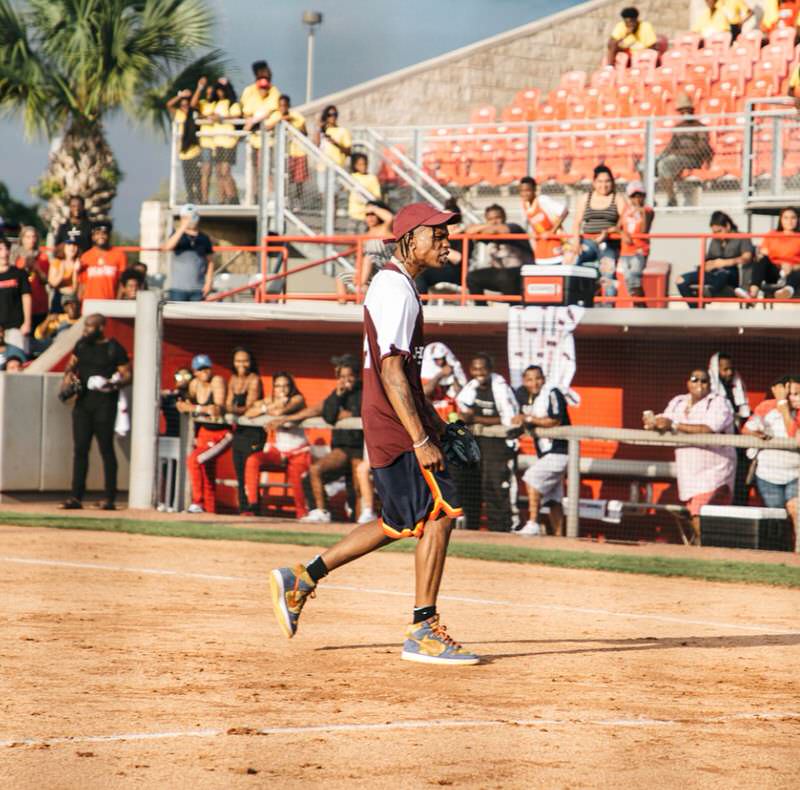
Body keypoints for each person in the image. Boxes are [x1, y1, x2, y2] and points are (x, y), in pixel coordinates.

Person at [269, 201, 480, 665]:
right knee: (442, 512)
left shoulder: (397, 286)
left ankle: (303, 577)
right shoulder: (395, 289)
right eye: (437, 235)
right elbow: (390, 371)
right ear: (409, 240)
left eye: (446, 235)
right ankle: (423, 630)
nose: (446, 243)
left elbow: (401, 370)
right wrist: (422, 440)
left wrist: (438, 426)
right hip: (393, 424)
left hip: (395, 421)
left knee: (400, 521)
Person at [643, 369, 736, 545]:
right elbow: (666, 419)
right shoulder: (678, 401)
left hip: (716, 468)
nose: (699, 384)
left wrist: (674, 424)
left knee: (699, 510)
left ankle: (707, 549)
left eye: (704, 381)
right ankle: (705, 548)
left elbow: (709, 428)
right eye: (695, 380)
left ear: (710, 384)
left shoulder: (719, 403)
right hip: (689, 468)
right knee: (697, 512)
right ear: (688, 383)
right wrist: (654, 422)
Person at [271, 355, 365, 523]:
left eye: (349, 376)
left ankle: (359, 523)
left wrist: (348, 414)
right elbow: (326, 414)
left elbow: (363, 414)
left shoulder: (365, 391)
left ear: (356, 375)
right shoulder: (337, 394)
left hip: (361, 449)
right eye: (342, 377)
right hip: (341, 449)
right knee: (314, 472)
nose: (345, 380)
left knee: (357, 490)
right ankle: (321, 512)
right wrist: (286, 419)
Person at [59, 314, 131, 510]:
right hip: (83, 405)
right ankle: (76, 496)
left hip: (105, 405)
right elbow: (70, 367)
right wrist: (69, 382)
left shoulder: (113, 348)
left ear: (101, 327)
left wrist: (111, 383)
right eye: (86, 326)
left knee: (106, 449)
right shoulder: (81, 345)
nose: (86, 330)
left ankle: (110, 497)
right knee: (80, 450)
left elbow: (127, 375)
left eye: (90, 327)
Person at [455, 353, 520, 532]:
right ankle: (472, 529)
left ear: (490, 369)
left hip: (498, 447)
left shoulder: (501, 388)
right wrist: (466, 417)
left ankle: (501, 531)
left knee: (496, 488)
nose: (479, 372)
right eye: (475, 369)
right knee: (474, 487)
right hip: (476, 445)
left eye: (482, 368)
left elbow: (508, 419)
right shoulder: (471, 388)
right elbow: (462, 411)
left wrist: (476, 418)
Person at [743, 376, 800, 552]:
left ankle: (797, 550)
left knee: (795, 510)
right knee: (776, 516)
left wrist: (783, 406)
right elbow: (746, 429)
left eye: (798, 394)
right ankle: (779, 554)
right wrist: (755, 433)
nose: (795, 398)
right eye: (790, 394)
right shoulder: (767, 407)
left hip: (796, 472)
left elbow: (794, 436)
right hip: (768, 473)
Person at [243, 372, 311, 518]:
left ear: (291, 387)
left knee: (296, 477)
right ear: (274, 387)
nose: (282, 389)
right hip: (278, 452)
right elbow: (249, 413)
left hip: (298, 452)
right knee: (252, 460)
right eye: (278, 386)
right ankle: (253, 505)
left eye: (286, 386)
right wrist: (266, 408)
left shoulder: (297, 398)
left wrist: (276, 408)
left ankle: (302, 513)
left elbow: (283, 409)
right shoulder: (271, 401)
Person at [513, 365, 570, 537]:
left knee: (531, 477)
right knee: (553, 500)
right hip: (546, 454)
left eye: (537, 378)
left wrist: (528, 418)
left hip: (560, 451)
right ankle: (560, 537)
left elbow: (556, 420)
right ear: (524, 381)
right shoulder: (527, 397)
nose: (534, 383)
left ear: (543, 379)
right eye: (529, 379)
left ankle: (533, 522)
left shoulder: (551, 392)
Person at [177, 354, 231, 514]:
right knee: (207, 472)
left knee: (194, 459)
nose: (205, 372)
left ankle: (197, 502)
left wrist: (196, 408)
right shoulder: (194, 384)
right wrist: (194, 406)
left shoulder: (217, 381)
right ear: (195, 372)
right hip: (204, 434)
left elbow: (216, 408)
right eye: (200, 369)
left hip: (221, 433)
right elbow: (183, 404)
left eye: (207, 368)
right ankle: (209, 511)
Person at [571, 165, 628, 300]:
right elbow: (576, 222)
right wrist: (576, 242)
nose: (604, 185)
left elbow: (625, 221)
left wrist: (608, 231)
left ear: (612, 182)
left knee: (608, 275)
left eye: (607, 181)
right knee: (573, 262)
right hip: (588, 242)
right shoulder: (586, 198)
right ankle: (576, 302)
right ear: (594, 183)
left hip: (609, 243)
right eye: (600, 181)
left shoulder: (618, 198)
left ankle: (609, 310)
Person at [677, 211, 753, 305]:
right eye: (714, 232)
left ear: (727, 226)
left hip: (730, 274)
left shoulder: (742, 237)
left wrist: (725, 262)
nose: (716, 235)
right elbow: (709, 259)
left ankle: (709, 293)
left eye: (719, 231)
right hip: (712, 273)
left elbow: (747, 257)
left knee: (723, 273)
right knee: (680, 280)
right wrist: (707, 265)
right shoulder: (715, 240)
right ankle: (695, 309)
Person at [466, 204, 532, 304]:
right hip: (499, 272)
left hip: (520, 272)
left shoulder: (514, 228)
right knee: (472, 277)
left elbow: (495, 230)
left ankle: (513, 308)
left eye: (497, 218)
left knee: (505, 276)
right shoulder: (487, 231)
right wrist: (488, 225)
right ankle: (481, 309)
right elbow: (469, 231)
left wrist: (486, 228)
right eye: (490, 219)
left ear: (504, 217)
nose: (494, 221)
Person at [655, 95, 713, 207]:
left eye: (687, 110)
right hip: (676, 159)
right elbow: (671, 147)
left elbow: (702, 150)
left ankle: (671, 199)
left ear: (692, 110)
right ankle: (649, 198)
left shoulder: (700, 127)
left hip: (692, 160)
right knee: (647, 163)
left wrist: (678, 152)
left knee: (665, 164)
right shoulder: (678, 128)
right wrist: (662, 155)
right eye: (682, 110)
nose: (685, 113)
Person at [226, 347, 264, 513]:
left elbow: (248, 406)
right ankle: (243, 509)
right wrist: (226, 408)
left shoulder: (254, 379)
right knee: (239, 471)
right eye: (238, 360)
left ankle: (254, 508)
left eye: (245, 360)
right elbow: (227, 402)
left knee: (250, 472)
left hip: (254, 432)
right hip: (239, 431)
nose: (242, 364)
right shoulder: (232, 379)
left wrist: (226, 409)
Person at [336, 201, 395, 301]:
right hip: (369, 273)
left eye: (373, 215)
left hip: (384, 268)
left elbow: (389, 218)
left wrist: (373, 208)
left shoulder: (384, 228)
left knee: (368, 258)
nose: (370, 218)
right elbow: (355, 251)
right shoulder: (365, 235)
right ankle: (342, 304)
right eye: (367, 215)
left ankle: (360, 287)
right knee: (341, 278)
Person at [740, 206, 800, 301]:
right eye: (786, 218)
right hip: (774, 271)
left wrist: (793, 267)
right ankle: (752, 293)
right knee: (762, 260)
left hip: (793, 272)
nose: (790, 221)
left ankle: (787, 291)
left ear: (797, 219)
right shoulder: (772, 234)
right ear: (781, 220)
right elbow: (763, 253)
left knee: (797, 273)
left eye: (793, 217)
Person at [263, 95, 309, 205]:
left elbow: (304, 132)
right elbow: (266, 127)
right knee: (284, 179)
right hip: (283, 153)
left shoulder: (296, 116)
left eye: (285, 105)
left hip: (298, 152)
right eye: (280, 106)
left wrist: (291, 122)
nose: (283, 108)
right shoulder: (276, 116)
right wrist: (281, 120)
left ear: (288, 106)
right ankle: (284, 199)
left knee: (298, 180)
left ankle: (298, 201)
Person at [163, 205, 215, 301]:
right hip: (177, 288)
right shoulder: (176, 235)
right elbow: (167, 247)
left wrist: (208, 282)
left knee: (195, 315)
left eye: (193, 216)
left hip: (198, 289)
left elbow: (210, 261)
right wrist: (182, 227)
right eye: (186, 217)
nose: (191, 220)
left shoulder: (204, 238)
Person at [414, 197, 464, 295]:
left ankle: (422, 305)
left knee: (422, 274)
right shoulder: (441, 235)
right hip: (437, 267)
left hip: (454, 272)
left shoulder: (462, 236)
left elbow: (458, 258)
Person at [241, 63, 281, 175]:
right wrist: (254, 119)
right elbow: (246, 112)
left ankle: (269, 192)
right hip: (253, 139)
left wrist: (256, 119)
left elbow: (273, 111)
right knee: (253, 169)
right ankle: (255, 192)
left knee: (267, 171)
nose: (263, 90)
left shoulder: (274, 91)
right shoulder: (249, 91)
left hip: (268, 140)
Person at [618, 180, 654, 304]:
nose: (637, 199)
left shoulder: (648, 211)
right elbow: (618, 227)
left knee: (634, 279)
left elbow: (644, 231)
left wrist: (641, 212)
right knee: (629, 282)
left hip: (639, 250)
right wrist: (622, 234)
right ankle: (640, 306)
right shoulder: (625, 210)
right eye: (634, 196)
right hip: (625, 250)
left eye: (640, 195)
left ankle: (640, 307)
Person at [519, 177, 568, 265]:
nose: (524, 193)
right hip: (540, 249)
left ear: (534, 189)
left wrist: (552, 231)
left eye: (527, 190)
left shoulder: (542, 200)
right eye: (522, 191)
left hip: (554, 245)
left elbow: (564, 211)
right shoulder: (525, 205)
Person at [78, 221, 127, 303]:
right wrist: (80, 303)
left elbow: (121, 283)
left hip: (110, 303)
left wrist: (118, 303)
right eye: (97, 233)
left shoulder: (119, 255)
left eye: (104, 233)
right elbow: (82, 284)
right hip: (89, 303)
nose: (101, 236)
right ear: (93, 237)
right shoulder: (85, 256)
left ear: (109, 235)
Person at [166, 89, 202, 203]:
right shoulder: (178, 113)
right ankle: (190, 196)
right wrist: (180, 95)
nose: (184, 106)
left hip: (195, 148)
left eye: (186, 104)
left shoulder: (194, 112)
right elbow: (169, 104)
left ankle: (199, 196)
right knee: (187, 176)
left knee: (197, 175)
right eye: (183, 104)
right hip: (184, 150)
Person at [209, 79, 241, 205]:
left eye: (222, 89)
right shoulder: (215, 104)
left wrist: (221, 118)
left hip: (229, 142)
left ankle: (232, 197)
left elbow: (237, 116)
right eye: (218, 90)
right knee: (218, 172)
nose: (220, 92)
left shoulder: (232, 104)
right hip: (217, 142)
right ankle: (222, 198)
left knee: (225, 171)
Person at [14, 225, 49, 331]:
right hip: (20, 306)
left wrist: (36, 267)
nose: (32, 240)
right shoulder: (15, 257)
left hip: (39, 304)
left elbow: (46, 280)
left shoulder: (42, 256)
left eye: (34, 237)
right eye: (28, 237)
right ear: (22, 239)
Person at [0, 236, 32, 351]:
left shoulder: (19, 273)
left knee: (18, 359)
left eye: (6, 249)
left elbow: (26, 297)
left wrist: (27, 322)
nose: (4, 253)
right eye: (0, 249)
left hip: (16, 326)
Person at [421, 342, 466, 421]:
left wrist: (452, 376)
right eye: (437, 359)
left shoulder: (453, 368)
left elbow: (461, 393)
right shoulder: (424, 373)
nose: (440, 362)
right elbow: (424, 392)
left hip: (452, 415)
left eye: (442, 358)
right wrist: (440, 375)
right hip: (433, 415)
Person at [315, 104, 352, 195]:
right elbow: (316, 144)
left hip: (336, 167)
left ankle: (333, 210)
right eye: (329, 115)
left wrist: (336, 144)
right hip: (322, 167)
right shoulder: (322, 130)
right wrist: (318, 128)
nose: (332, 117)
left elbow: (348, 151)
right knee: (323, 194)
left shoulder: (343, 131)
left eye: (334, 114)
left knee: (334, 195)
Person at [191, 77, 216, 203]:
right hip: (206, 144)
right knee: (206, 172)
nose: (209, 94)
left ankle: (225, 199)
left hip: (220, 143)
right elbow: (192, 104)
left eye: (212, 92)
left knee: (222, 174)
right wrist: (199, 88)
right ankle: (205, 199)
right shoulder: (203, 103)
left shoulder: (219, 104)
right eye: (208, 92)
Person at [48, 230, 81, 312]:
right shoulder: (57, 262)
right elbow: (53, 283)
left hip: (73, 300)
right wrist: (61, 272)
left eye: (75, 245)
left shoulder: (79, 263)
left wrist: (75, 271)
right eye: (69, 244)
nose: (72, 247)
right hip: (59, 298)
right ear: (63, 246)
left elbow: (75, 289)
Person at [348, 153, 382, 231]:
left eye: (364, 164)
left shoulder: (372, 178)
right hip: (353, 213)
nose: (363, 167)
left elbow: (377, 195)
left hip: (365, 215)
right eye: (360, 164)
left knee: (362, 238)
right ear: (355, 165)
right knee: (351, 237)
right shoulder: (352, 176)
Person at [160, 367, 192, 438]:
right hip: (172, 437)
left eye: (186, 376)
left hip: (191, 438)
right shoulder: (168, 397)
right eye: (179, 377)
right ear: (175, 380)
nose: (183, 379)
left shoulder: (196, 398)